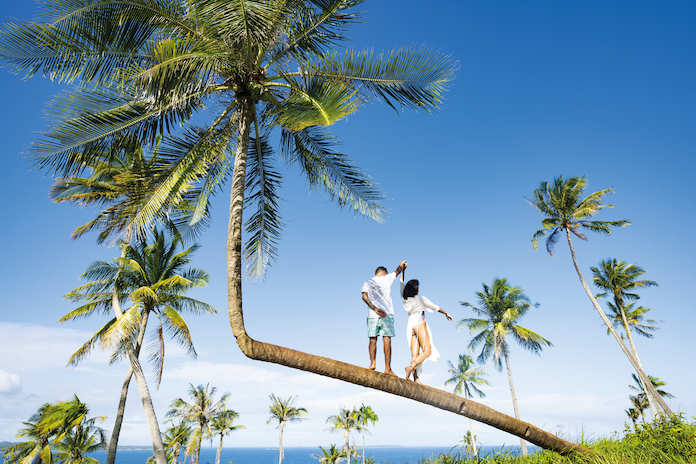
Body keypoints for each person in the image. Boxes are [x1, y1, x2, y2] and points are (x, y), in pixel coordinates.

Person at [400, 268, 452, 384]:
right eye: (418, 286)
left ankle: (415, 379)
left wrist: (403, 271)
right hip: (419, 323)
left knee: (415, 353)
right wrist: (446, 313)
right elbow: (436, 307)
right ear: (416, 289)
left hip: (410, 326)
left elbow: (401, 284)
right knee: (427, 352)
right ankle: (411, 367)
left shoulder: (405, 299)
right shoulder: (421, 299)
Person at [361, 260, 407, 376]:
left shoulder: (368, 282)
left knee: (372, 339)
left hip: (372, 315)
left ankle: (372, 363)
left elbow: (364, 297)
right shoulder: (387, 278)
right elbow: (398, 270)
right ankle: (387, 368)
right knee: (387, 339)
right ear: (383, 273)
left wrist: (375, 308)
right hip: (386, 314)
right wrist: (403, 264)